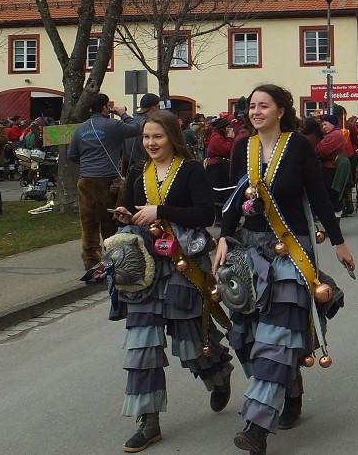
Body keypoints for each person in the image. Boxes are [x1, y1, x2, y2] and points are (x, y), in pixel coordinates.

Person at [213, 84, 355, 454]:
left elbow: (319, 196)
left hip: (290, 253)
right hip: (250, 252)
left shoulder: (299, 146)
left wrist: (338, 241)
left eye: (264, 106)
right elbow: (232, 198)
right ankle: (290, 391)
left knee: (276, 338)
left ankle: (257, 427)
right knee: (246, 336)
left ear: (281, 110)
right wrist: (224, 238)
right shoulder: (242, 148)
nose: (256, 111)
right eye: (252, 107)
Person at [111, 111, 234, 453]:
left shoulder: (192, 169)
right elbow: (126, 208)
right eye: (146, 138)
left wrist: (161, 210)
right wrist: (124, 215)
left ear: (172, 139)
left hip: (183, 265)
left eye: (157, 137)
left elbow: (206, 214)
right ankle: (148, 423)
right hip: (145, 270)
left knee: (190, 342)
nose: (150, 143)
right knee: (143, 348)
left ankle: (219, 374)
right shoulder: (137, 171)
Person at [67, 94, 143, 269]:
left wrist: (87, 163)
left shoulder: (80, 129)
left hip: (86, 180)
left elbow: (72, 155)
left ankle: (91, 261)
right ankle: (114, 261)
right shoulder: (113, 125)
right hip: (108, 180)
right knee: (110, 221)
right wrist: (123, 113)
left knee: (88, 223)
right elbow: (137, 128)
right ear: (105, 108)